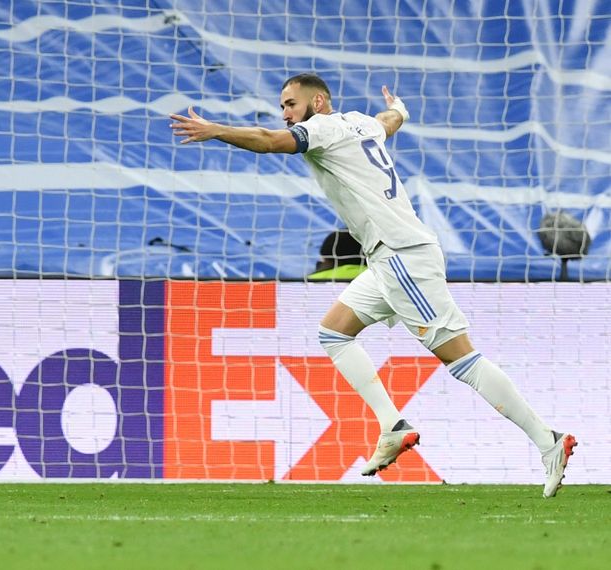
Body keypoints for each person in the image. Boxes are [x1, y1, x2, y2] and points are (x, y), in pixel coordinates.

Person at [169, 73, 576, 497]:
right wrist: (399, 108)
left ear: (318, 102)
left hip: (401, 256)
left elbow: (269, 141)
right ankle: (392, 425)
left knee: (461, 359)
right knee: (333, 332)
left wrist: (215, 130)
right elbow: (389, 121)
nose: (285, 114)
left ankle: (548, 441)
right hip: (388, 259)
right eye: (283, 107)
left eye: (291, 104)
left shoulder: (321, 128)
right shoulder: (362, 123)